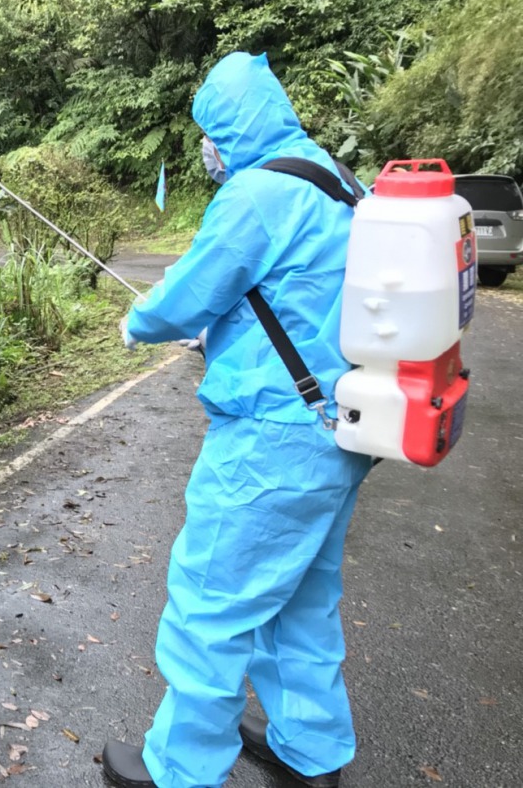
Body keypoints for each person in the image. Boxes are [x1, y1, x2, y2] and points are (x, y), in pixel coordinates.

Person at [104, 51, 373, 788]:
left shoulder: (255, 195)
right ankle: (311, 752)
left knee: (211, 602)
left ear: (231, 122)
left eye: (209, 131)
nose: (206, 149)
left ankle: (180, 770)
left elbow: (191, 288)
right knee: (304, 599)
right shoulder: (337, 179)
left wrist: (141, 322)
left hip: (272, 439)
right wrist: (218, 333)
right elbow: (296, 296)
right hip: (339, 426)